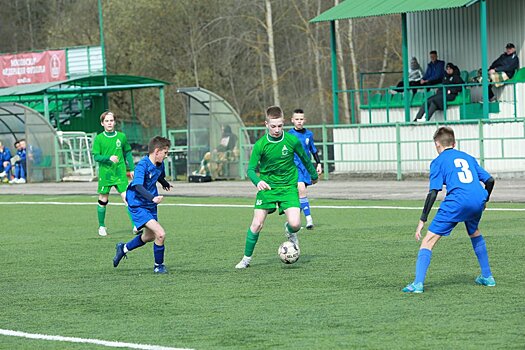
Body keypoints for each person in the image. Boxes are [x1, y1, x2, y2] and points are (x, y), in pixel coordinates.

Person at [402, 126, 495, 293]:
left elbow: (433, 192)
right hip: (477, 198)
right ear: (454, 143)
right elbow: (490, 180)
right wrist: (485, 199)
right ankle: (487, 277)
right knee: (474, 232)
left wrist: (422, 219)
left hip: (457, 201)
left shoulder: (438, 161)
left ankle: (417, 284)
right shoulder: (468, 157)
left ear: (437, 144)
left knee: (427, 241)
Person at [235, 106, 319, 269]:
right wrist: (257, 181)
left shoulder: (291, 140)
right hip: (267, 188)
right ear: (266, 124)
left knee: (295, 224)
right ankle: (246, 259)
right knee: (257, 224)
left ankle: (289, 231)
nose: (277, 130)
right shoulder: (261, 144)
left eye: (280, 126)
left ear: (283, 123)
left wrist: (313, 176)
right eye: (273, 126)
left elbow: (305, 159)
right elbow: (251, 169)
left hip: (288, 187)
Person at [113, 136, 172, 274]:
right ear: (157, 151)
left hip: (149, 204)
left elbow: (158, 175)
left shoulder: (159, 164)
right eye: (165, 153)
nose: (166, 156)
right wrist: (152, 198)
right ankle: (159, 266)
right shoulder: (142, 166)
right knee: (161, 234)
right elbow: (138, 185)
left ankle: (123, 248)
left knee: (150, 236)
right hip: (138, 204)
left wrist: (164, 183)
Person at [92, 111, 135, 237]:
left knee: (127, 198)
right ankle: (101, 226)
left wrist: (131, 168)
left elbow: (128, 152)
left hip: (120, 172)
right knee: (103, 199)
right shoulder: (99, 138)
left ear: (114, 122)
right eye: (107, 121)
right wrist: (108, 158)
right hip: (106, 173)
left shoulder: (121, 137)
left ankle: (136, 225)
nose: (109, 123)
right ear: (102, 123)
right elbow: (96, 156)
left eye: (111, 120)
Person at [288, 109, 322, 229]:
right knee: (302, 190)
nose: (299, 121)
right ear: (292, 120)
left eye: (301, 119)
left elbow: (313, 150)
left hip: (306, 167)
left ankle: (292, 221)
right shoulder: (289, 135)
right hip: (294, 167)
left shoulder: (309, 134)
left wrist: (318, 163)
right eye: (297, 119)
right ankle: (309, 219)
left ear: (304, 120)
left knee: (301, 196)